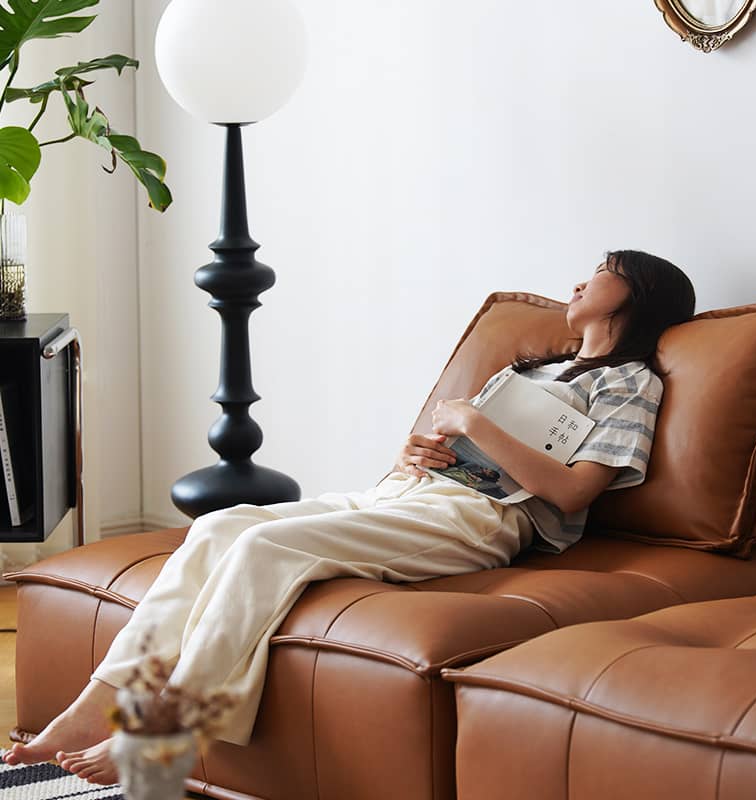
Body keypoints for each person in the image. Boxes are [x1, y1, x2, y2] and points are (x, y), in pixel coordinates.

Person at [3, 249, 695, 784]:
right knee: (219, 526)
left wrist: (477, 424)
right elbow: (452, 442)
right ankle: (94, 708)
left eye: (601, 272)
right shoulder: (532, 369)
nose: (579, 281)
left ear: (638, 294)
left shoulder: (632, 384)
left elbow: (574, 493)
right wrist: (419, 447)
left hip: (485, 519)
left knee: (265, 548)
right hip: (410, 492)